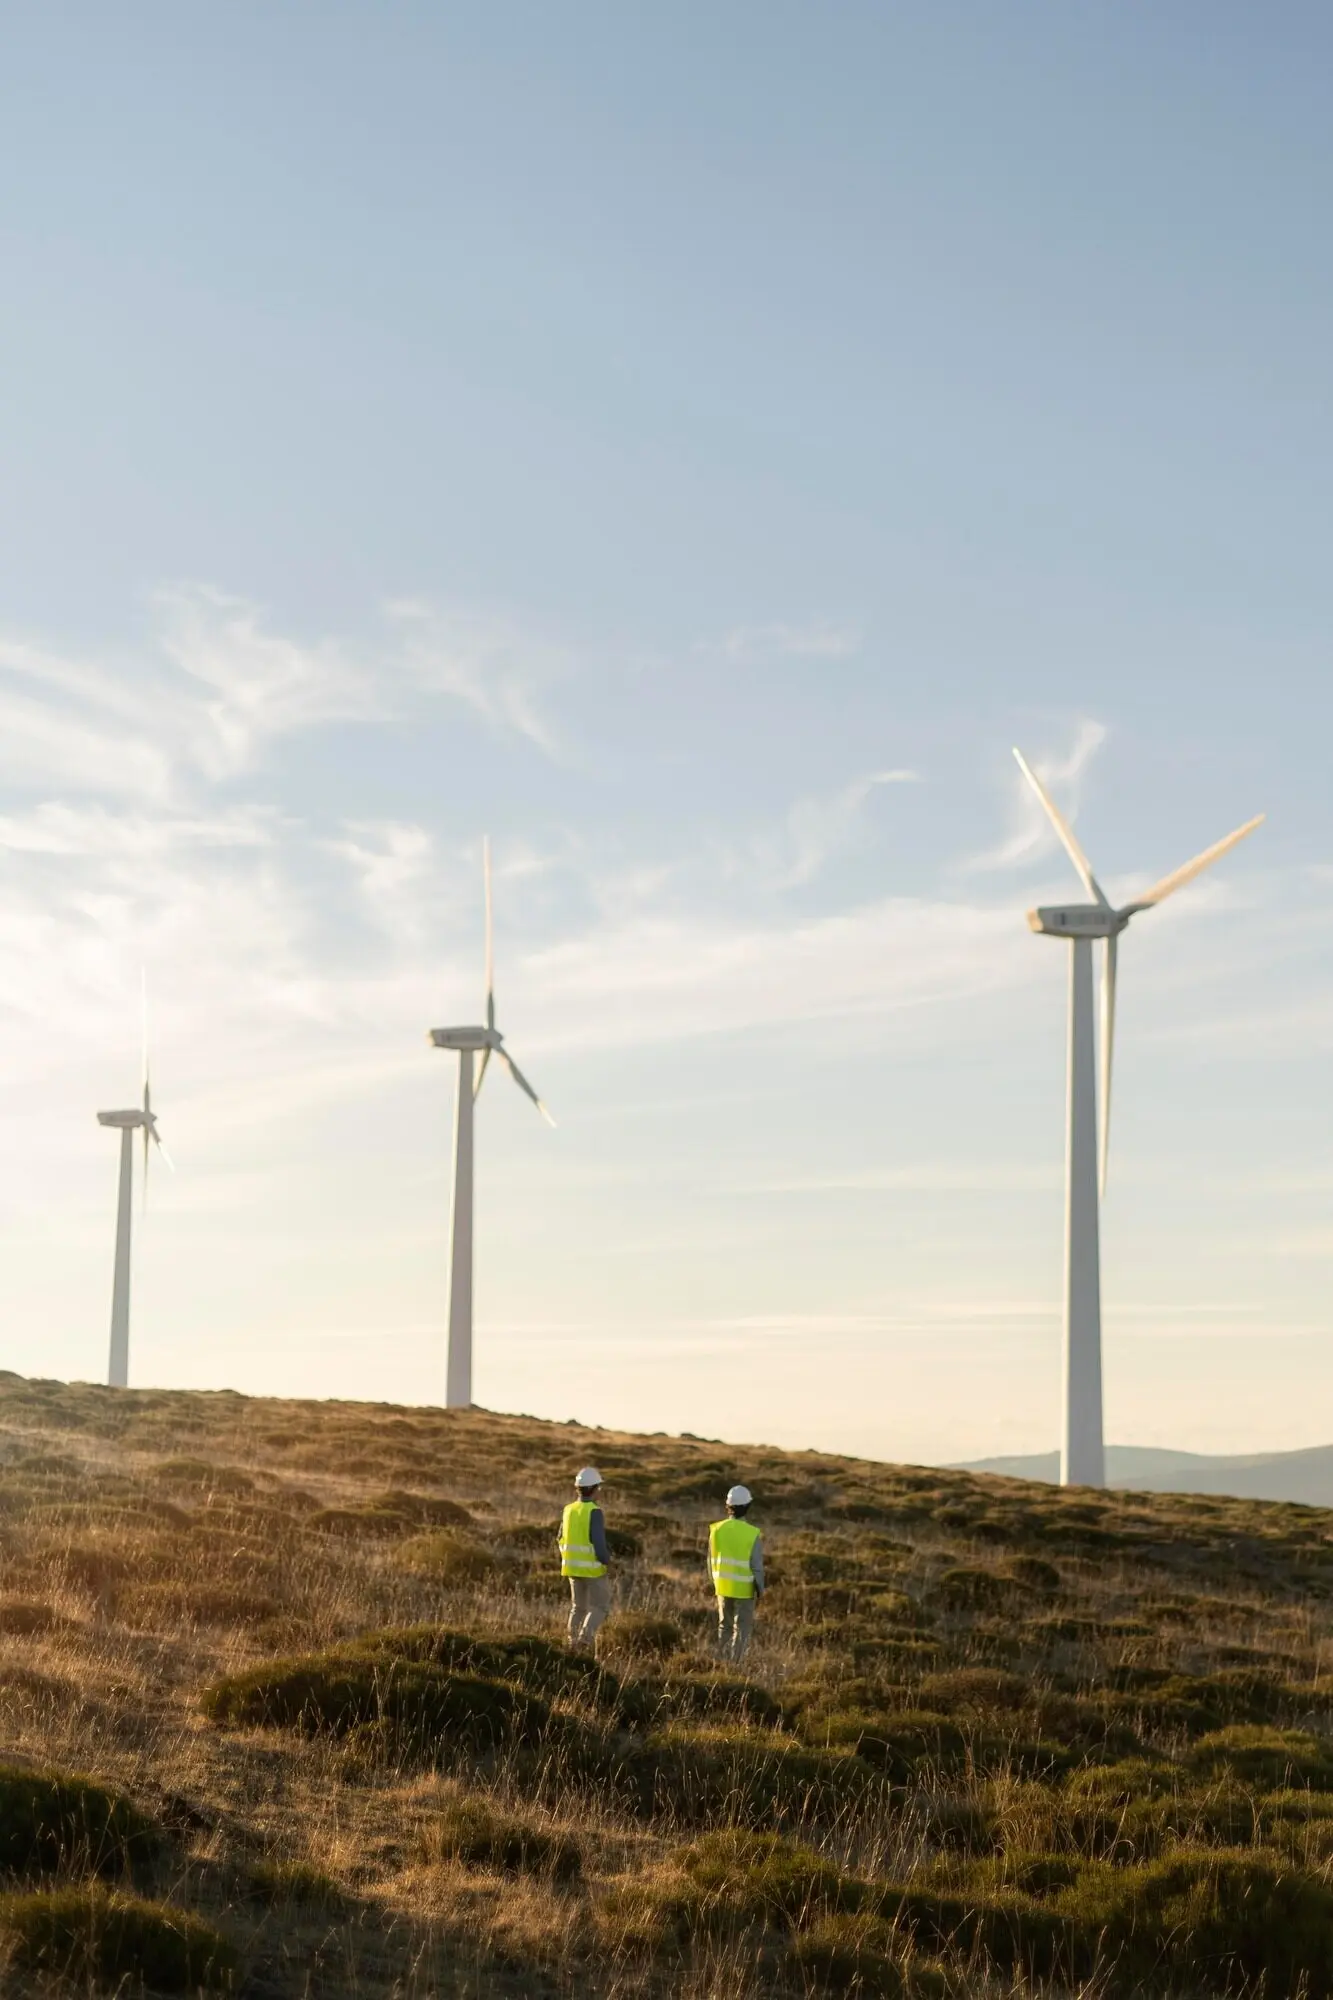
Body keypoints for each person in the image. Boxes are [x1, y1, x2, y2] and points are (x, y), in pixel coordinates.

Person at [708, 1483, 764, 1664]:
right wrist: (760, 1590)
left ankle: (722, 1663)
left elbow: (710, 1559)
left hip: (722, 1586)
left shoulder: (716, 1529)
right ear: (747, 1507)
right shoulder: (752, 1533)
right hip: (745, 1589)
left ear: (728, 1506)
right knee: (741, 1629)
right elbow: (756, 1566)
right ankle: (735, 1665)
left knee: (724, 1626)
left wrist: (714, 1582)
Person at [559, 1466, 612, 1651]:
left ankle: (570, 1644)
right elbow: (598, 1543)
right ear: (595, 1488)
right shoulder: (594, 1512)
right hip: (592, 1569)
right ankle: (584, 1641)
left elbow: (559, 1538)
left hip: (571, 1567)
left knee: (578, 1608)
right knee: (601, 1607)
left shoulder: (568, 1510)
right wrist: (606, 1561)